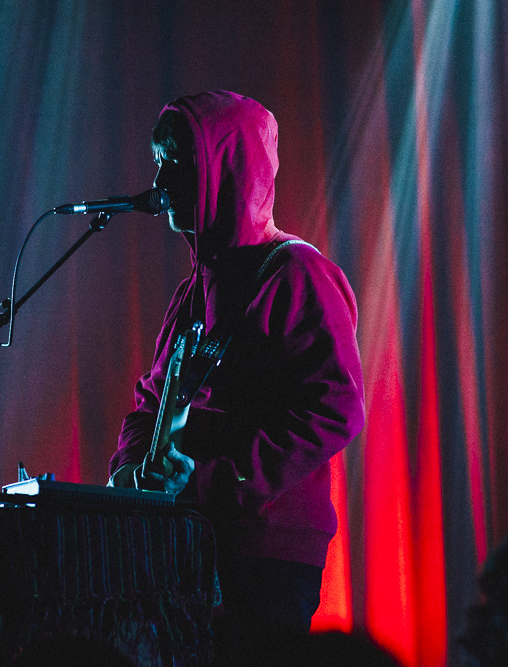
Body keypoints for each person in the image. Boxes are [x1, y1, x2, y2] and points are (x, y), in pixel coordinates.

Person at [108, 91, 365, 661]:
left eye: (174, 159)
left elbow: (337, 408)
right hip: (188, 538)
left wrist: (219, 481)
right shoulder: (194, 290)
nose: (159, 176)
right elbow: (149, 399)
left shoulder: (298, 273)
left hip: (265, 551)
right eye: (158, 158)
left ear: (225, 166)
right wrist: (130, 467)